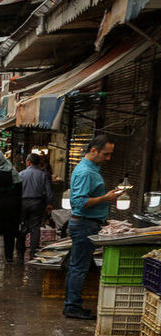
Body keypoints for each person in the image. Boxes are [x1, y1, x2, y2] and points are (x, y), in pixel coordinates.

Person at [65, 135, 123, 320]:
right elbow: (79, 202)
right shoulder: (86, 172)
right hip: (84, 224)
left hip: (88, 224)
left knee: (79, 266)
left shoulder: (91, 169)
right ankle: (72, 307)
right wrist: (106, 198)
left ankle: (73, 304)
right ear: (93, 150)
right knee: (78, 267)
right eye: (106, 154)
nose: (108, 158)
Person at [0, 151, 22, 265]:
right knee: (10, 233)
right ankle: (9, 256)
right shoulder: (13, 171)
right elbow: (19, 191)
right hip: (12, 207)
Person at [19, 152, 52, 258]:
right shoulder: (43, 175)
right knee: (35, 227)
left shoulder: (21, 174)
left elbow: (16, 191)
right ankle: (33, 251)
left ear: (28, 162)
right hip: (37, 203)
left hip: (23, 203)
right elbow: (48, 192)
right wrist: (49, 203)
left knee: (22, 226)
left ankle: (20, 250)